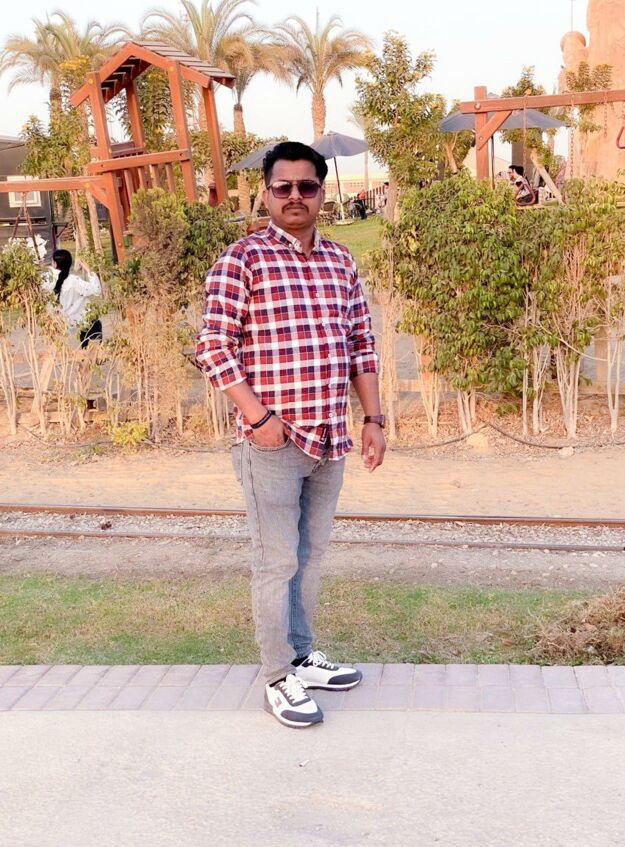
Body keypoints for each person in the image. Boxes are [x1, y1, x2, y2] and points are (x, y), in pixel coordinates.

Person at [196, 141, 386, 729]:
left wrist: (373, 419)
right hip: (271, 445)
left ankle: (302, 655)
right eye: (284, 187)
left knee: (310, 556)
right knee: (275, 563)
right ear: (267, 193)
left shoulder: (340, 261)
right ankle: (278, 676)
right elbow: (213, 347)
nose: (295, 196)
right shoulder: (242, 260)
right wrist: (259, 419)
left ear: (322, 192)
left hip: (331, 440)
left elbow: (360, 343)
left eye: (307, 186)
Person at [44, 249, 103, 347]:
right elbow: (96, 290)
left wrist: (41, 267)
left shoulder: (45, 279)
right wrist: (89, 270)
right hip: (79, 322)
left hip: (57, 323)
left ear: (54, 264)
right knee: (93, 320)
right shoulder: (74, 281)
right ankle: (90, 349)